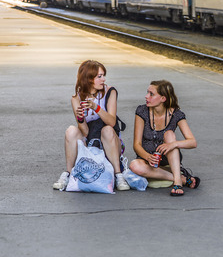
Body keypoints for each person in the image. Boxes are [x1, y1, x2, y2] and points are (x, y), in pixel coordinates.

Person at [53, 60, 130, 191]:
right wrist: (80, 118)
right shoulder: (76, 98)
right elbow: (85, 132)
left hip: (110, 143)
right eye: (99, 76)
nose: (104, 79)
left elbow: (111, 122)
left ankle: (118, 175)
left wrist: (96, 107)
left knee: (107, 130)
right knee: (71, 131)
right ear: (88, 79)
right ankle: (68, 174)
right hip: (91, 143)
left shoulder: (110, 91)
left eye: (103, 75)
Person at [129, 80, 200, 196]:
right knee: (134, 165)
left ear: (163, 98)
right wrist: (148, 157)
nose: (146, 96)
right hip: (148, 160)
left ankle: (177, 182)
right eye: (147, 93)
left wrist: (173, 144)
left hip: (169, 158)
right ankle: (182, 178)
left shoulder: (176, 115)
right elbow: (136, 144)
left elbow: (192, 142)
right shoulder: (142, 111)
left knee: (169, 134)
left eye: (151, 94)